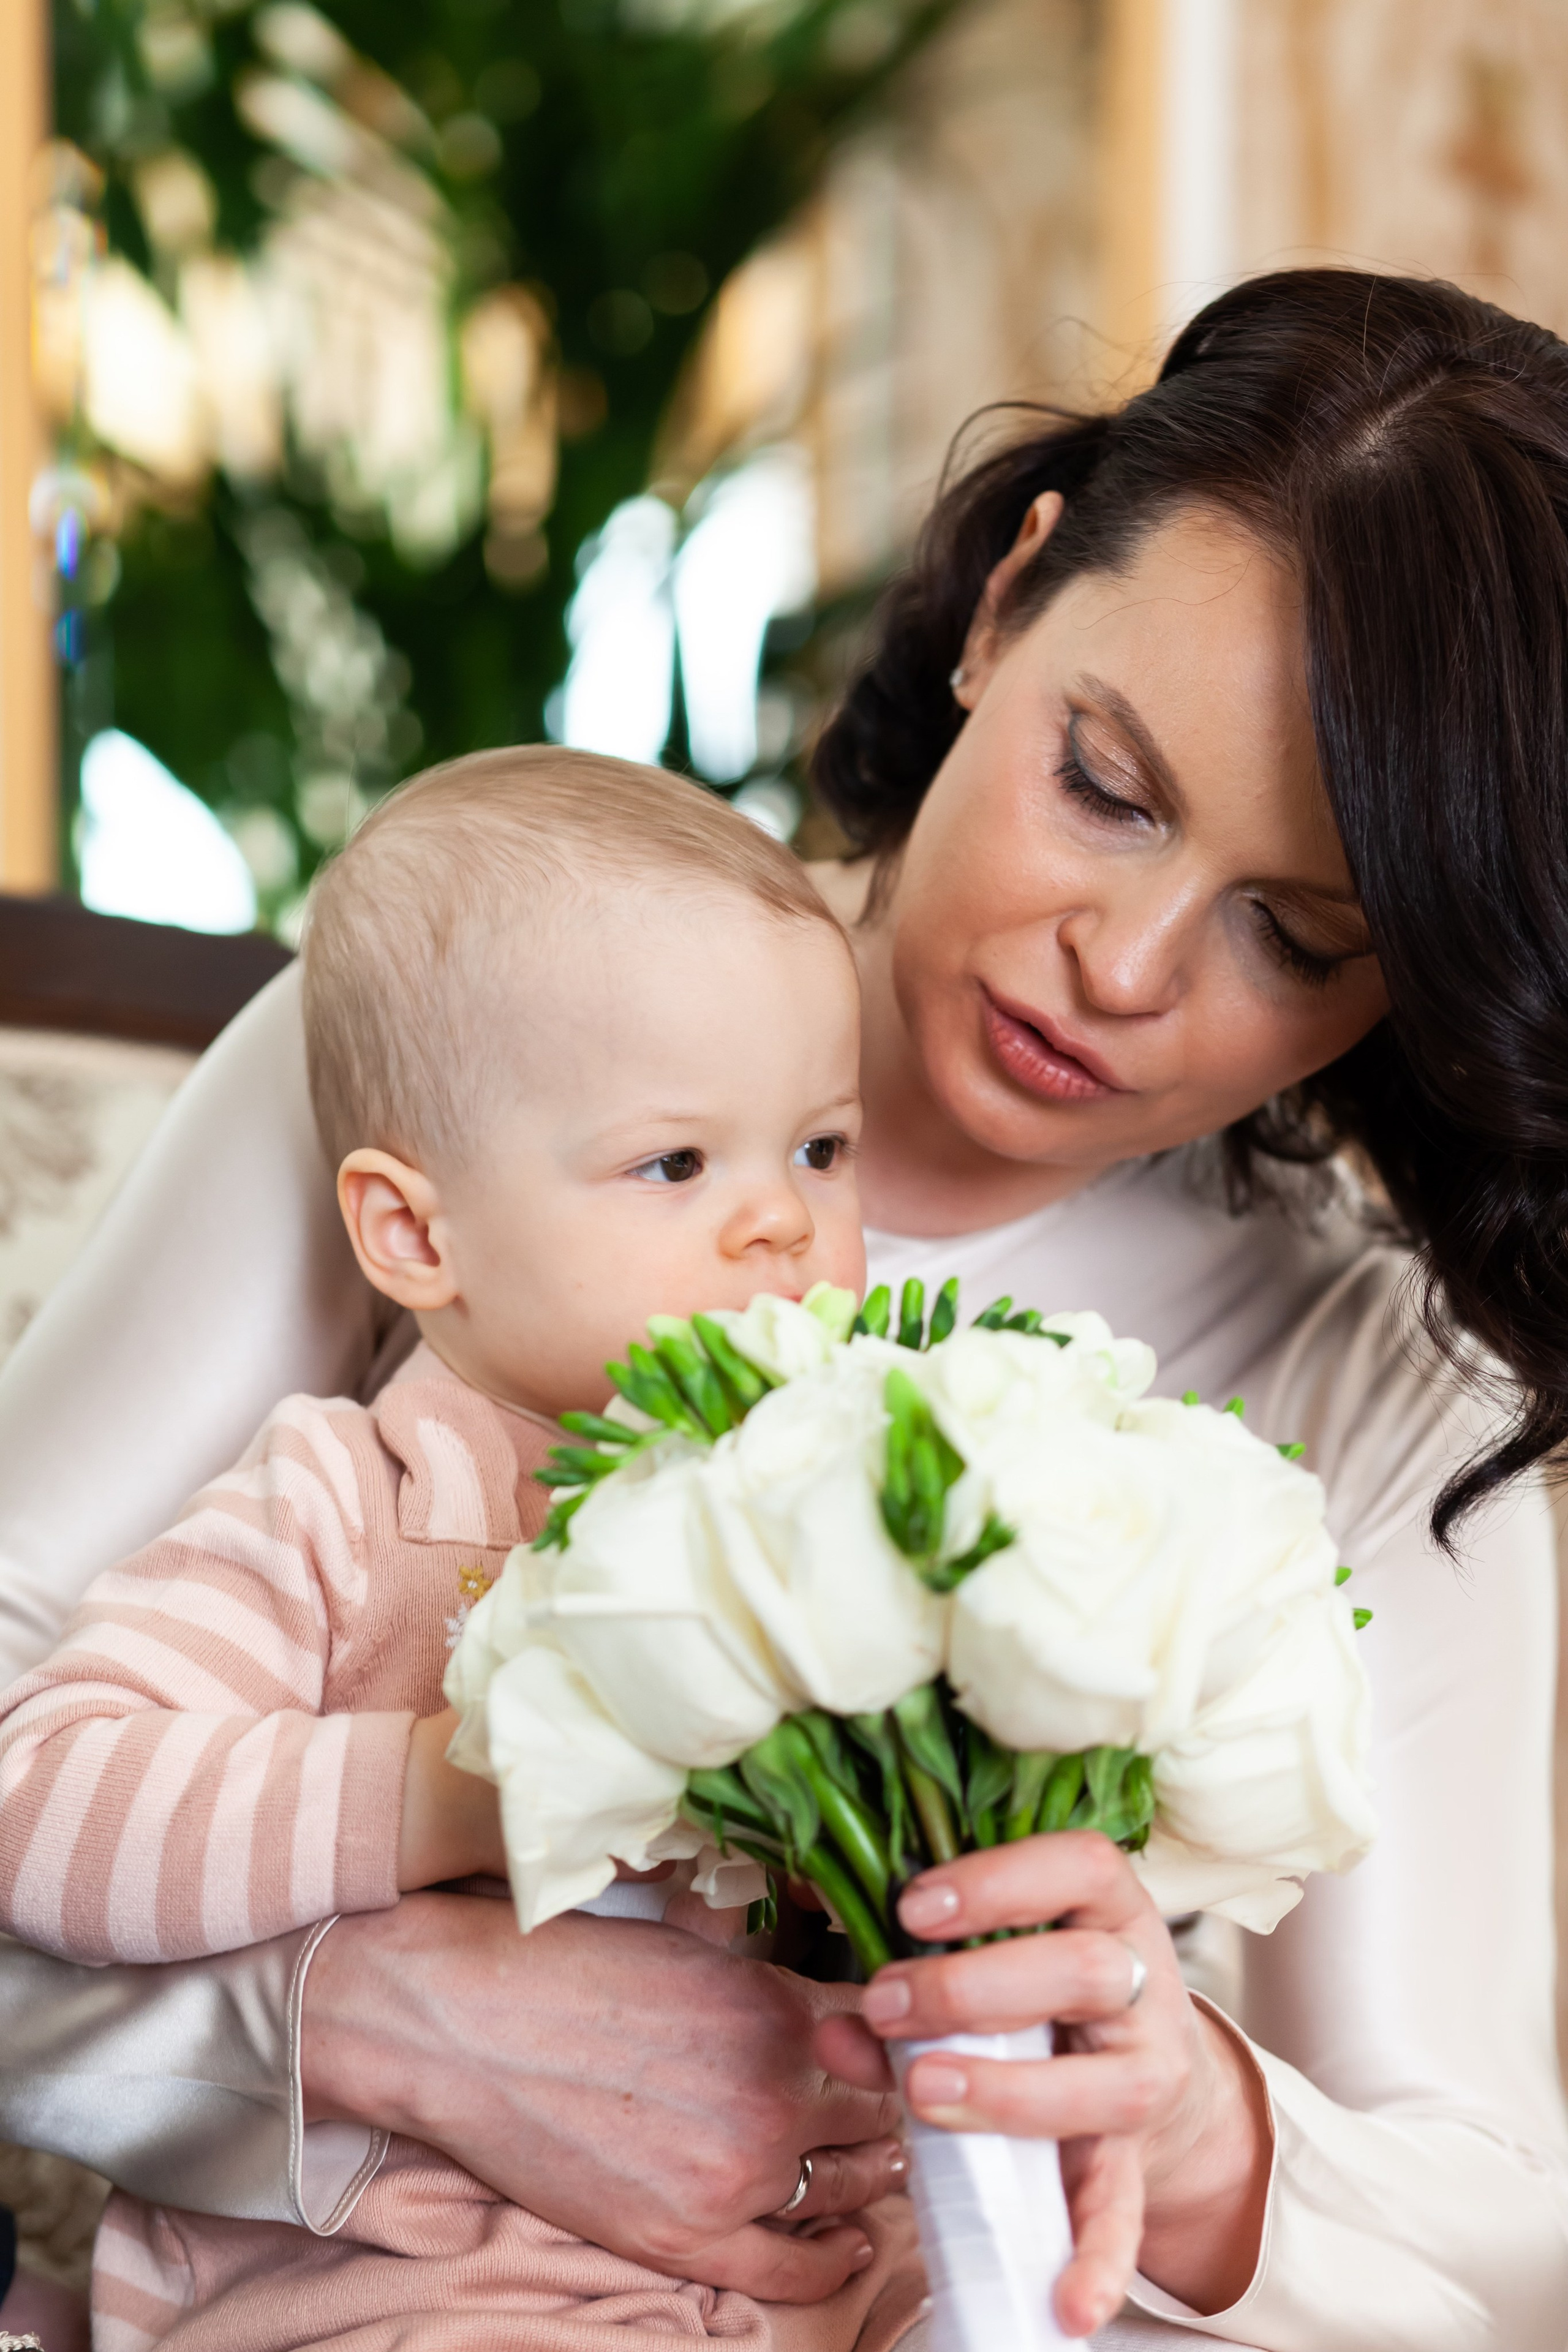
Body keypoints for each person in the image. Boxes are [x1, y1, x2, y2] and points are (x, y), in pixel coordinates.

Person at [1, 264, 1566, 2351]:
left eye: (1294, 934)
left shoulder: (1384, 1385)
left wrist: (1194, 2130)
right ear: (1009, 600)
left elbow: (1502, 2224)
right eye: (1108, 785)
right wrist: (361, 2027)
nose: (1129, 964)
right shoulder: (469, 1041)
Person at [0, 749, 935, 2351]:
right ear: (416, 1235)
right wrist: (448, 1782)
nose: (784, 1225)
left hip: (810, 2277)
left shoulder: (859, 1503)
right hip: (419, 2300)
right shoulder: (346, 1508)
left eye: (824, 1151)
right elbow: (45, 1799)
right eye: (677, 1163)